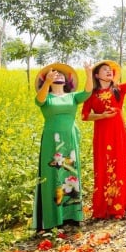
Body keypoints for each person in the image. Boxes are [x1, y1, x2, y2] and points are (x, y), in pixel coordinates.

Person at [83, 60, 126, 219]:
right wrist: (101, 116)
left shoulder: (118, 89)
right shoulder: (91, 93)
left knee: (119, 165)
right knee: (104, 166)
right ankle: (103, 207)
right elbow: (85, 115)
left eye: (110, 70)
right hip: (102, 133)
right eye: (104, 70)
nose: (109, 71)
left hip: (118, 132)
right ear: (97, 75)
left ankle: (119, 205)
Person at [34, 62, 93, 231]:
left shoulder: (72, 96)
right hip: (51, 141)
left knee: (71, 172)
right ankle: (53, 218)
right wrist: (47, 83)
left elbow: (88, 92)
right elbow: (39, 100)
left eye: (61, 74)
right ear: (46, 79)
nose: (58, 75)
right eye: (53, 74)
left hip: (70, 138)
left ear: (67, 80)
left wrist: (89, 74)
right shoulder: (46, 97)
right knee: (53, 174)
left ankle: (72, 216)